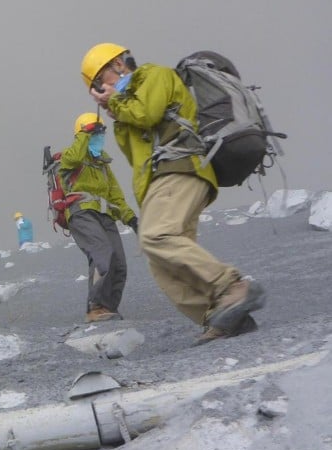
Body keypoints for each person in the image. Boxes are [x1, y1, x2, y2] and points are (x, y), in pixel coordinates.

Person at [82, 42, 265, 343]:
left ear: (119, 64)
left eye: (101, 78)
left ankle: (231, 287)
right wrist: (119, 106)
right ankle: (224, 316)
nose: (100, 88)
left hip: (180, 169)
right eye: (95, 86)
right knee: (163, 264)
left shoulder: (154, 75)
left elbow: (148, 113)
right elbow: (140, 153)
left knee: (157, 236)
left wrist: (117, 103)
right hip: (163, 182)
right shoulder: (123, 110)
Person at [60, 112, 138, 322]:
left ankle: (108, 308)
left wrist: (131, 218)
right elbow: (75, 156)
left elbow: (115, 196)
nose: (99, 136)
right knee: (102, 253)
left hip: (105, 215)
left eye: (101, 132)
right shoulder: (70, 157)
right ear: (82, 134)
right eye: (95, 132)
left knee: (119, 263)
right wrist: (85, 133)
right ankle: (95, 307)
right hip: (81, 212)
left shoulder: (103, 164)